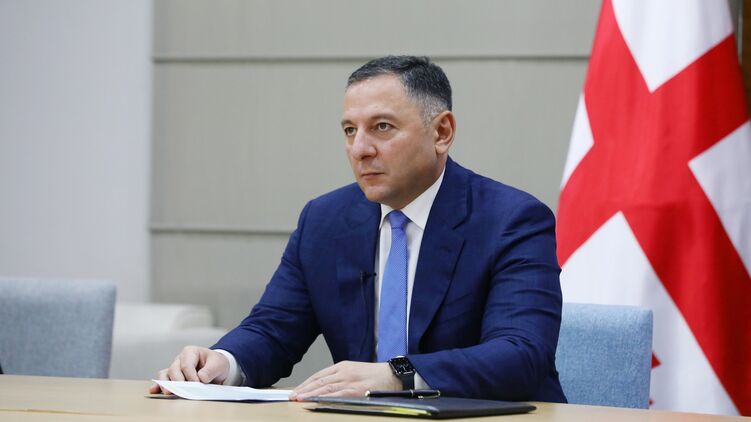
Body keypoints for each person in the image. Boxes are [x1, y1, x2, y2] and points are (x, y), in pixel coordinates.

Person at [150, 55, 566, 403]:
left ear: (442, 132)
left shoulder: (511, 219)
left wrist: (397, 374)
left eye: (382, 127)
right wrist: (223, 363)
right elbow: (273, 330)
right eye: (350, 131)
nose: (360, 149)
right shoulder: (325, 220)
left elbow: (520, 355)